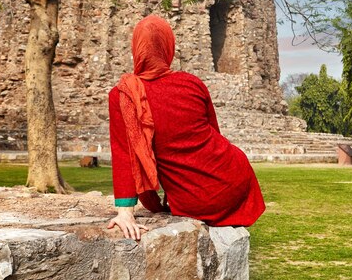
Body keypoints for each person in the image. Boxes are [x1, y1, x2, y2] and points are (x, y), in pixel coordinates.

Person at [107, 15, 265, 239]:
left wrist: (125, 212)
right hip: (236, 177)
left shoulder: (122, 95)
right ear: (167, 47)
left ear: (136, 48)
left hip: (196, 198)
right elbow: (215, 135)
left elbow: (125, 154)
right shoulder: (192, 83)